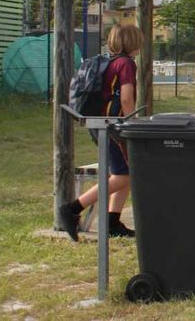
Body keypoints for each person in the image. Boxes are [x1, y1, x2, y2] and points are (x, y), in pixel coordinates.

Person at [58, 24, 144, 241]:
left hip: (99, 123)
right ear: (133, 42)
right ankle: (73, 208)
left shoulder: (109, 62)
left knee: (126, 171)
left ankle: (112, 222)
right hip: (114, 126)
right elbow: (126, 98)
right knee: (124, 174)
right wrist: (131, 124)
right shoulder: (126, 64)